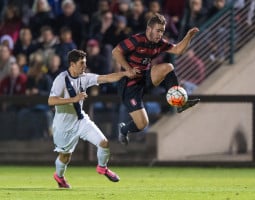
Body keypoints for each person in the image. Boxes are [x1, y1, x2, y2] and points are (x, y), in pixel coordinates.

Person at [112, 13, 200, 146]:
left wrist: (188, 36)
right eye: (158, 31)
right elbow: (115, 52)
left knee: (168, 67)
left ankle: (179, 104)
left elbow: (177, 50)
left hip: (144, 77)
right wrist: (128, 69)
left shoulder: (159, 43)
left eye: (162, 31)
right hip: (129, 85)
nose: (160, 34)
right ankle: (124, 129)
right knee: (142, 124)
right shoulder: (137, 40)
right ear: (149, 29)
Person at [48, 49, 129, 188]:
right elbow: (51, 101)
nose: (84, 66)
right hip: (63, 125)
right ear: (72, 64)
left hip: (81, 120)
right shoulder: (61, 79)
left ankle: (102, 168)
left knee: (104, 143)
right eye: (81, 63)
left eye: (85, 63)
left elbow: (106, 78)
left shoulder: (84, 77)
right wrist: (74, 99)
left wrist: (126, 73)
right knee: (65, 157)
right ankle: (59, 177)